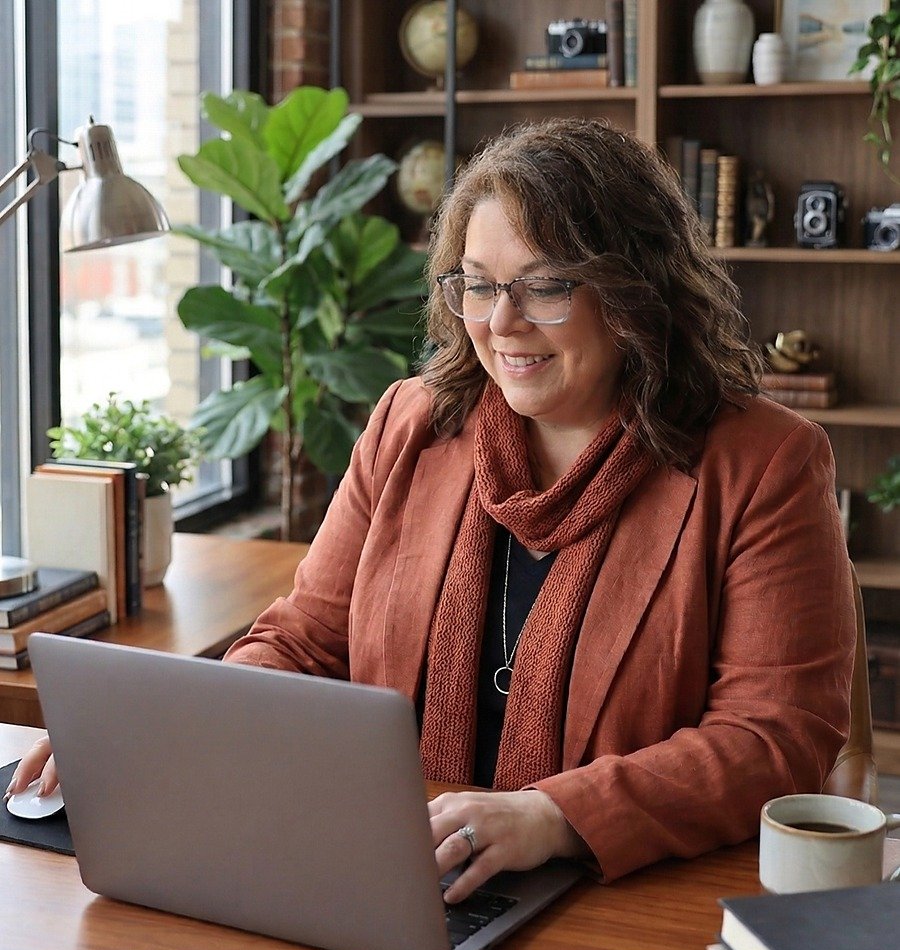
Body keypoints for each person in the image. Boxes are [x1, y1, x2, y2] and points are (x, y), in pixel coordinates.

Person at [8, 118, 855, 905]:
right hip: (394, 874)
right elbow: (305, 639)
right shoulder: (411, 424)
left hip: (616, 900)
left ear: (635, 289)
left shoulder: (763, 463)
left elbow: (773, 739)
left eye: (546, 286)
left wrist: (554, 813)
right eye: (478, 286)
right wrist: (163, 731)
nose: (502, 323)